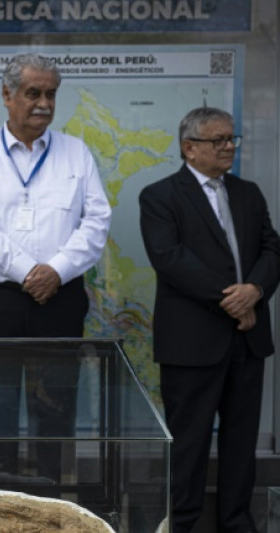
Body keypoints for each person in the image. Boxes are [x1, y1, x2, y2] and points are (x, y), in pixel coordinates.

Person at [0, 53, 111, 480]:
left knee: (55, 412)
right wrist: (27, 271)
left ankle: (52, 507)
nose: (43, 103)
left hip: (59, 299)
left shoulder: (76, 153)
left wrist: (55, 270)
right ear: (7, 95)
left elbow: (96, 223)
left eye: (51, 94)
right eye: (33, 93)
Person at [139, 107, 280, 533]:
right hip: (192, 341)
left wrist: (254, 291)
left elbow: (272, 249)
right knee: (189, 442)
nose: (229, 147)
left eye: (232, 139)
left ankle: (237, 522)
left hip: (247, 338)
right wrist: (233, 300)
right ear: (189, 147)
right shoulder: (160, 196)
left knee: (241, 441)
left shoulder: (248, 193)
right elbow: (170, 259)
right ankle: (182, 523)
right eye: (218, 140)